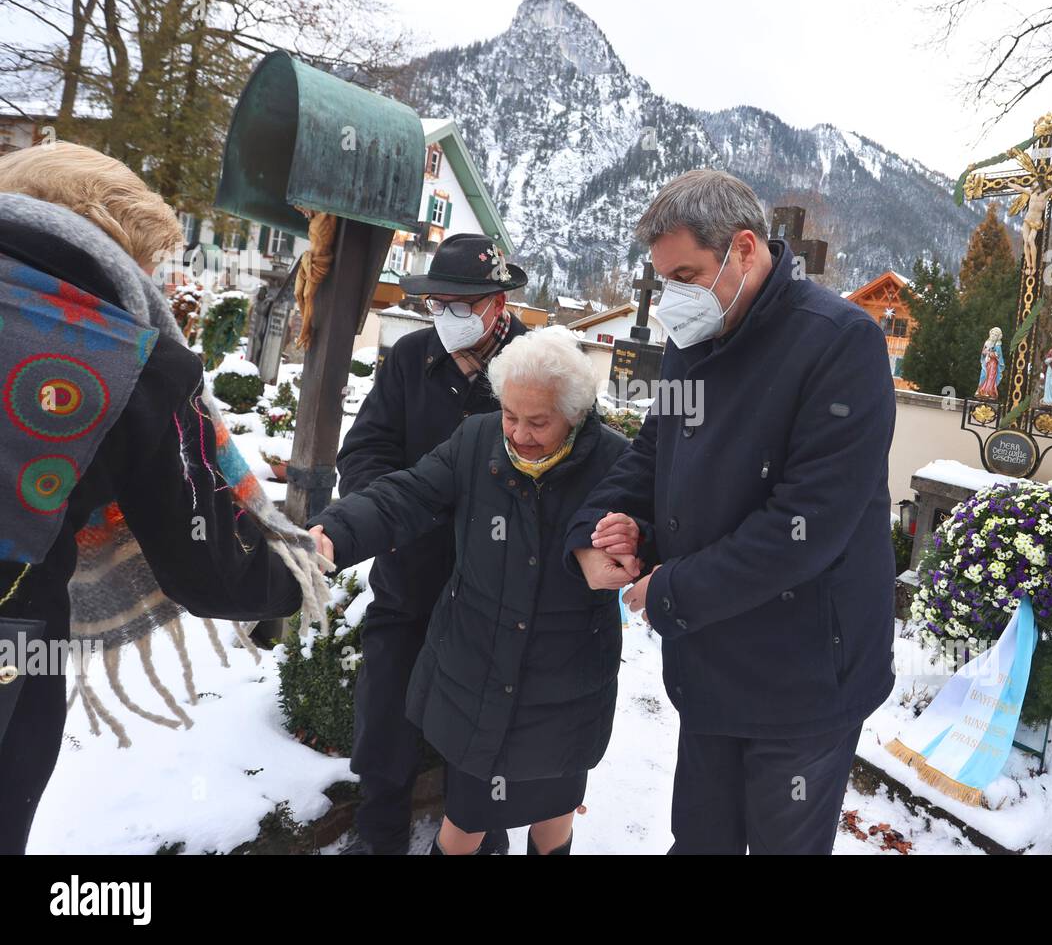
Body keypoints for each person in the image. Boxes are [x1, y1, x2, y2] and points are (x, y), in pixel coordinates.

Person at [0, 142, 326, 855]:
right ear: (114, 247)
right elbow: (204, 564)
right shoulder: (125, 354)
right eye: (145, 263)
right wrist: (295, 577)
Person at [565, 169, 897, 854]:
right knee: (700, 841)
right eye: (664, 281)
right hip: (712, 663)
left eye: (686, 275)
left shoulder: (840, 345)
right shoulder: (695, 344)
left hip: (803, 679)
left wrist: (672, 590)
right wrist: (601, 527)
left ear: (745, 250)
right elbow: (655, 454)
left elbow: (806, 527)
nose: (673, 299)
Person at [308, 327, 639, 855]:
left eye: (538, 422)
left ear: (574, 415)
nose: (519, 434)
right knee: (464, 820)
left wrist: (633, 555)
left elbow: (653, 534)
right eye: (511, 415)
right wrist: (336, 532)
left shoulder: (617, 462)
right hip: (479, 672)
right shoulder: (477, 440)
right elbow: (405, 494)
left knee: (554, 817)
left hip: (565, 683)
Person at [333, 232, 529, 855]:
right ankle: (380, 830)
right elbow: (365, 448)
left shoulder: (537, 368)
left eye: (459, 304)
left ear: (497, 304)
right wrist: (392, 512)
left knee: (487, 724)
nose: (443, 316)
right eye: (434, 303)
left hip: (495, 588)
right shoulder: (412, 358)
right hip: (410, 572)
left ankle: (483, 832)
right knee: (386, 707)